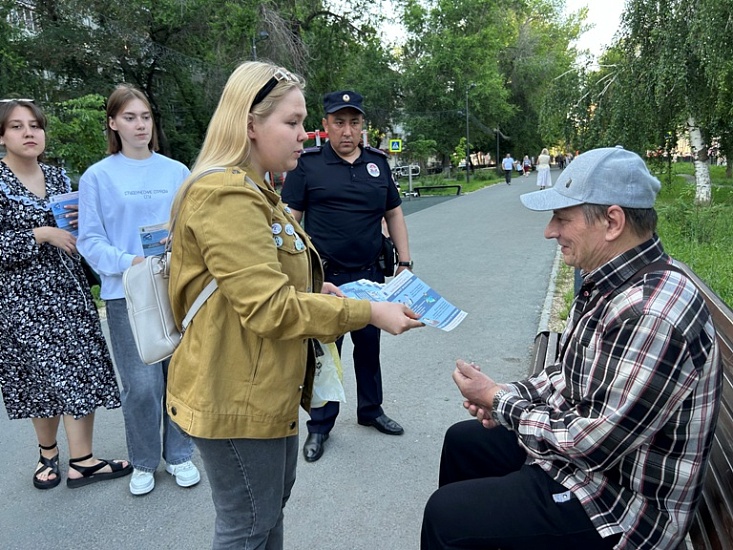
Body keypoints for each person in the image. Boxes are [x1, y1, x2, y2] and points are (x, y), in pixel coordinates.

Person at [166, 62, 422, 549]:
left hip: (261, 385)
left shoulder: (257, 189)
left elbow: (265, 280)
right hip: (233, 388)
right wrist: (368, 313)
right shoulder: (226, 194)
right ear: (248, 124)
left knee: (267, 510)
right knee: (247, 523)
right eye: (291, 122)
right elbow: (270, 309)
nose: (304, 134)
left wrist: (314, 288)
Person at [421, 147, 721, 550]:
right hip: (597, 471)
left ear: (612, 221)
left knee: (446, 516)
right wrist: (504, 396)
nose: (550, 231)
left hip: (621, 510)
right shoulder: (615, 278)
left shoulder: (651, 312)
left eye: (563, 219)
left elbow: (594, 443)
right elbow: (568, 375)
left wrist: (499, 401)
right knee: (464, 443)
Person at [0, 99, 132, 490]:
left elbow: (78, 227)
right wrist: (37, 235)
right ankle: (47, 454)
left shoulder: (58, 177)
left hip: (69, 290)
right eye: (17, 127)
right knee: (40, 379)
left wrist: (78, 223)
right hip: (23, 299)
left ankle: (82, 460)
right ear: (2, 135)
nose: (29, 133)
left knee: (81, 370)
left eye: (35, 126)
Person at [77, 85, 200, 496]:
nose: (140, 125)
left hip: (174, 285)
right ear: (113, 123)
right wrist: (130, 262)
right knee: (141, 383)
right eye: (130, 117)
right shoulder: (98, 176)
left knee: (179, 375)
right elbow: (89, 240)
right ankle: (144, 462)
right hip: (126, 291)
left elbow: (191, 227)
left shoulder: (176, 171)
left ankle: (180, 455)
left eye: (145, 116)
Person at [281, 89, 414, 462]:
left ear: (362, 127)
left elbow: (394, 214)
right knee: (326, 355)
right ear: (325, 125)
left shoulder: (378, 164)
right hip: (327, 280)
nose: (347, 131)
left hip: (370, 276)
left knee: (369, 349)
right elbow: (291, 220)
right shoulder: (307, 166)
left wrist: (405, 261)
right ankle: (320, 427)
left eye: (354, 123)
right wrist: (293, 270)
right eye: (339, 122)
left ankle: (371, 410)